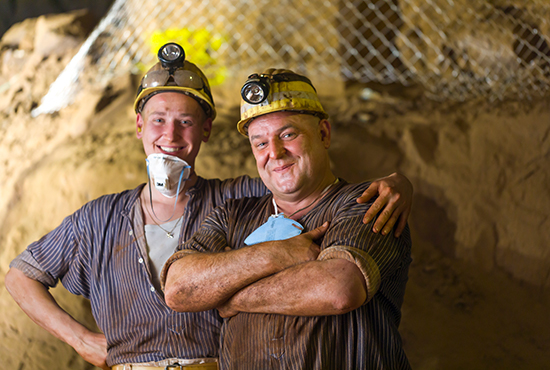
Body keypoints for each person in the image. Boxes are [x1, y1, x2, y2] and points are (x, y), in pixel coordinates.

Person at [5, 42, 412, 370]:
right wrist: (82, 340)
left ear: (205, 130)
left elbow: (297, 190)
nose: (171, 134)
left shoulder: (235, 199)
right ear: (139, 126)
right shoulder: (100, 218)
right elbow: (22, 275)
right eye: (159, 119)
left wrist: (400, 182)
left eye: (185, 121)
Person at [162, 69, 412, 369]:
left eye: (288, 135)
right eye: (261, 143)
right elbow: (178, 289)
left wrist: (230, 296)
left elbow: (338, 288)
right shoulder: (231, 215)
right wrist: (276, 255)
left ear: (323, 134)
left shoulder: (367, 202)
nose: (276, 153)